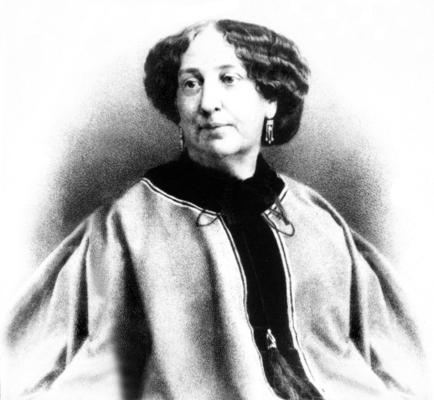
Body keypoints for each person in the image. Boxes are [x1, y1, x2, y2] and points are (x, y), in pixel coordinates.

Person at [0, 19, 428, 400]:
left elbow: (402, 360)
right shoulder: (127, 224)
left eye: (228, 79)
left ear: (271, 99)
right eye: (191, 83)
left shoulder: (316, 218)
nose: (207, 103)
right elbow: (30, 357)